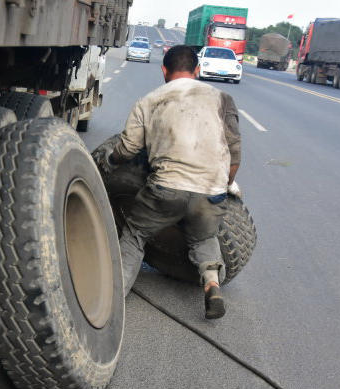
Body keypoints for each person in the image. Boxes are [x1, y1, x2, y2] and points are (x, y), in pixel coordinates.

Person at [100, 45, 242, 319]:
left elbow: (128, 148)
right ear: (197, 70)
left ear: (164, 70)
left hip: (166, 189)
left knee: (135, 234)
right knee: (203, 237)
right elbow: (235, 153)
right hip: (209, 192)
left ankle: (115, 296)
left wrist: (110, 161)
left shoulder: (149, 100)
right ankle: (212, 285)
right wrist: (223, 186)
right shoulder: (223, 99)